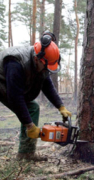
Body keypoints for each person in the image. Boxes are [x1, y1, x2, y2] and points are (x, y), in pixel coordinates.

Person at [0, 31, 72, 161]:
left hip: (10, 87)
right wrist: (30, 125)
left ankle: (26, 154)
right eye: (45, 68)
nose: (46, 71)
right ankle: (26, 152)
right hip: (3, 83)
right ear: (37, 58)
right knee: (29, 108)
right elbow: (15, 97)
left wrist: (60, 106)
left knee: (33, 108)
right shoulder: (15, 63)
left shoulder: (41, 63)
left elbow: (47, 85)